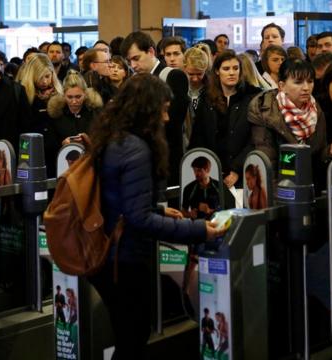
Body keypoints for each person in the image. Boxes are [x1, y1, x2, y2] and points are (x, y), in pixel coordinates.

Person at [88, 74, 224, 359]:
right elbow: (139, 219)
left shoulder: (113, 137)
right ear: (145, 110)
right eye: (161, 109)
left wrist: (160, 209)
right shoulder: (137, 149)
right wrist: (198, 230)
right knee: (133, 338)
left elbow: (118, 197)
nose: (165, 118)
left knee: (126, 334)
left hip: (109, 252)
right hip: (124, 258)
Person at [248, 59, 332, 190]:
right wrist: (279, 201)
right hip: (279, 190)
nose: (306, 88)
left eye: (310, 81)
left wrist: (329, 151)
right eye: (298, 82)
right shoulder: (266, 112)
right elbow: (267, 163)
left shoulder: (315, 110)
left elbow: (316, 157)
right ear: (282, 86)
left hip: (309, 188)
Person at [121, 31, 190, 186]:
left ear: (151, 52)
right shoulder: (133, 82)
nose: (132, 66)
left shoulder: (173, 76)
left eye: (136, 58)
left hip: (166, 163)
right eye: (129, 61)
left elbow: (171, 124)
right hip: (140, 162)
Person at [189, 50, 262, 188]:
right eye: (226, 69)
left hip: (244, 171)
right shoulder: (207, 98)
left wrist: (237, 169)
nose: (231, 73)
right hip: (211, 172)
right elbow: (198, 136)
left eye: (235, 68)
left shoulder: (252, 96)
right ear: (217, 71)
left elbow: (255, 139)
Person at [16, 53, 63, 177]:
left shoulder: (60, 94)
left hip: (56, 154)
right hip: (33, 154)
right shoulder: (23, 95)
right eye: (40, 77)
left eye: (47, 76)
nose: (45, 81)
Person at [47, 70, 103, 150]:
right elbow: (50, 146)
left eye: (78, 97)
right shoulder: (56, 114)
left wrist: (89, 142)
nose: (74, 101)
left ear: (85, 94)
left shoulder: (96, 112)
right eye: (69, 97)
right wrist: (62, 144)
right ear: (63, 95)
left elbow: (104, 141)